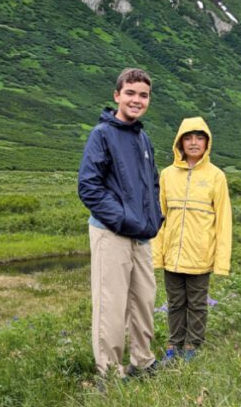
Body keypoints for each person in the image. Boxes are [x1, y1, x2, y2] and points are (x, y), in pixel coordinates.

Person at [78, 68, 163, 380]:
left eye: (143, 95)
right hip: (110, 233)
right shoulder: (101, 135)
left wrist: (153, 219)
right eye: (130, 93)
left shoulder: (143, 138)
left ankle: (143, 362)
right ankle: (110, 373)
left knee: (144, 300)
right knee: (110, 305)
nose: (136, 100)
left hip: (141, 235)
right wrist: (125, 220)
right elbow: (89, 187)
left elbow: (152, 184)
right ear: (117, 96)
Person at [152, 117, 232, 362]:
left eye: (199, 138)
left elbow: (224, 221)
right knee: (175, 303)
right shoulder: (166, 175)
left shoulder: (216, 176)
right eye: (188, 138)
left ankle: (192, 346)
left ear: (207, 142)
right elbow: (158, 217)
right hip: (172, 254)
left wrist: (221, 262)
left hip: (200, 254)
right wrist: (157, 254)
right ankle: (174, 344)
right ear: (180, 142)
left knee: (197, 304)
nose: (194, 143)